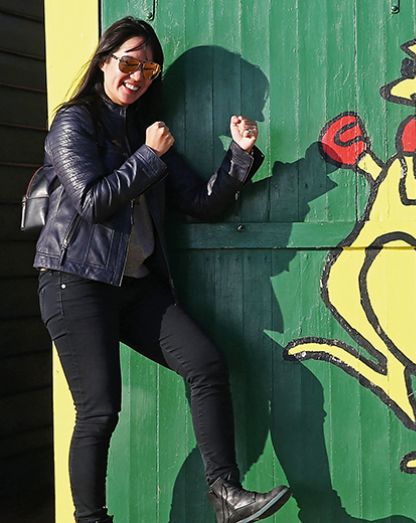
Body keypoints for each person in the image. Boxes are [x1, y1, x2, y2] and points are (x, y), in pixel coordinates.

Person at [35, 17, 290, 523]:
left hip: (132, 286)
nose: (137, 76)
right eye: (129, 63)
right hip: (75, 279)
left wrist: (239, 158)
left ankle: (225, 495)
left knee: (205, 364)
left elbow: (200, 202)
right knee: (99, 410)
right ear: (104, 60)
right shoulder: (75, 122)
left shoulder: (143, 131)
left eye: (148, 69)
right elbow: (91, 201)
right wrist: (149, 156)